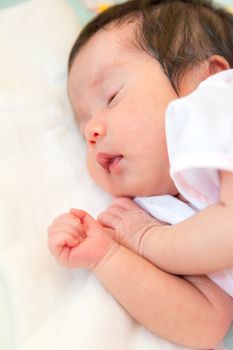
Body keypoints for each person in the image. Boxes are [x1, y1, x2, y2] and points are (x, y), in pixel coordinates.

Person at [47, 0, 233, 348]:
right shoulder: (163, 210)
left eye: (113, 96)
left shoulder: (217, 106)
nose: (91, 132)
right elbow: (205, 323)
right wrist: (108, 257)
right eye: (83, 126)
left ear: (209, 77)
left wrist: (148, 241)